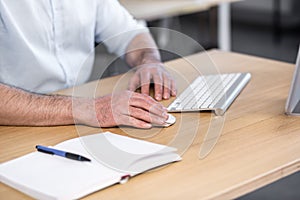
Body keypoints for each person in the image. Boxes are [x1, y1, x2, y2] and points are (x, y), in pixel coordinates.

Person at [0, 0, 177, 129]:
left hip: (76, 117)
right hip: (17, 121)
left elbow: (129, 33)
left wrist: (149, 61)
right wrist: (90, 109)